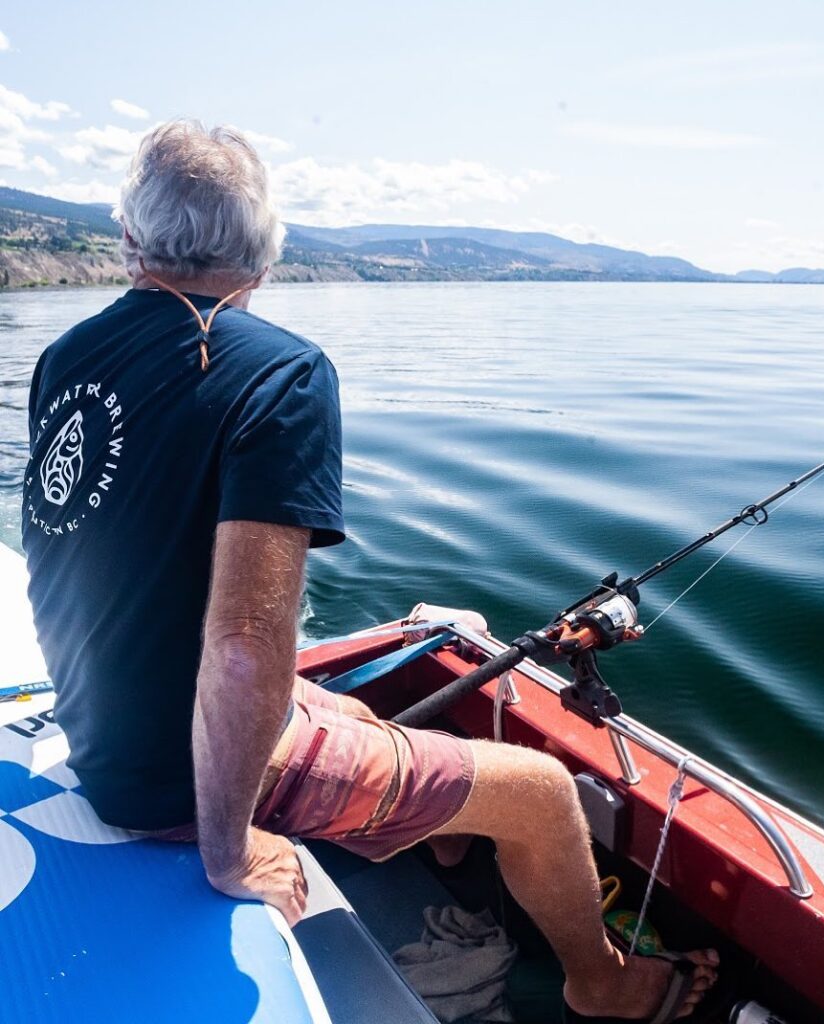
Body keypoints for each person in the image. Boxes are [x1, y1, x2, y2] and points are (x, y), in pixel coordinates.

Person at [21, 120, 717, 1022]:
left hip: (99, 724)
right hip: (173, 778)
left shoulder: (63, 357)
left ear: (126, 238)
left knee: (351, 706)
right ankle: (607, 985)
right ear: (267, 255)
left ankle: (445, 838)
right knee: (544, 794)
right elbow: (242, 646)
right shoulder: (281, 376)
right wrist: (227, 848)